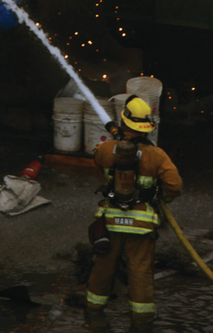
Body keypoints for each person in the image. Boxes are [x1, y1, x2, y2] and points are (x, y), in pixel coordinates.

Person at [85, 95, 182, 330]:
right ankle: (141, 322)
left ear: (124, 122)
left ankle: (94, 315)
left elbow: (98, 161)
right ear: (147, 127)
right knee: (140, 272)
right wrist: (162, 198)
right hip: (141, 225)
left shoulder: (106, 150)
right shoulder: (157, 155)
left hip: (110, 223)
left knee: (103, 269)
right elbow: (174, 186)